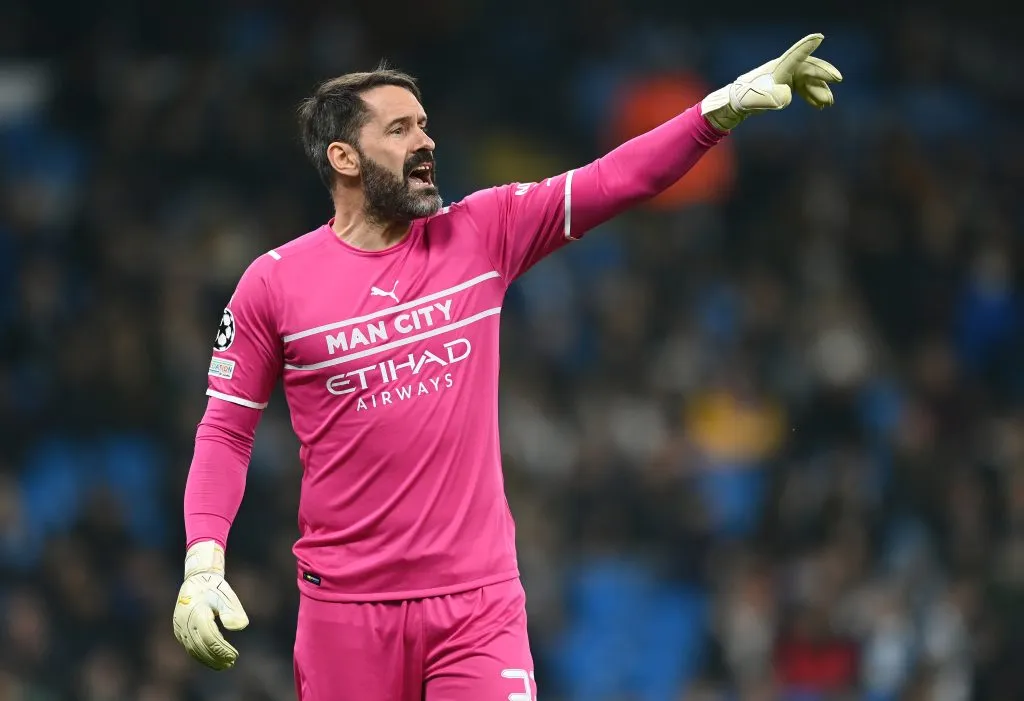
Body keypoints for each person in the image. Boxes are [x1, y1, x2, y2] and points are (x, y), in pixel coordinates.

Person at [172, 33, 841, 701]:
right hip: (346, 614)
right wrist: (204, 560)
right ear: (343, 157)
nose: (425, 141)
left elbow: (614, 179)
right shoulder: (274, 285)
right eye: (400, 129)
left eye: (424, 125)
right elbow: (226, 430)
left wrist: (722, 109)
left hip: (477, 605)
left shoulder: (480, 232)